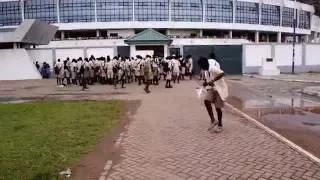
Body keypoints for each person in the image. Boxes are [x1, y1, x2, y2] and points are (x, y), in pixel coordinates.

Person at [198, 57, 228, 133]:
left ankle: (220, 125)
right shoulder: (206, 71)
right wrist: (205, 84)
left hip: (220, 88)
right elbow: (208, 80)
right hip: (212, 88)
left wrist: (213, 80)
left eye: (201, 66)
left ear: (205, 64)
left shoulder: (212, 68)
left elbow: (222, 73)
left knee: (218, 108)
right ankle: (213, 120)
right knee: (206, 101)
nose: (201, 67)